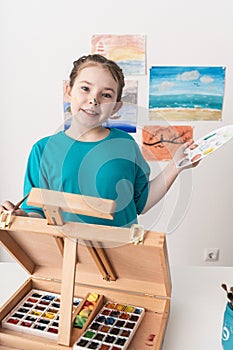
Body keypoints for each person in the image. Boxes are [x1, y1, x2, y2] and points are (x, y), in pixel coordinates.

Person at [0, 54, 195, 228]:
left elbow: (141, 203)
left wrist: (176, 166)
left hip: (121, 256)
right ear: (69, 91)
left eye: (106, 95)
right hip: (65, 259)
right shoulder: (43, 149)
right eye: (85, 88)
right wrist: (21, 215)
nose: (94, 100)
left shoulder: (125, 145)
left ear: (116, 107)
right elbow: (37, 211)